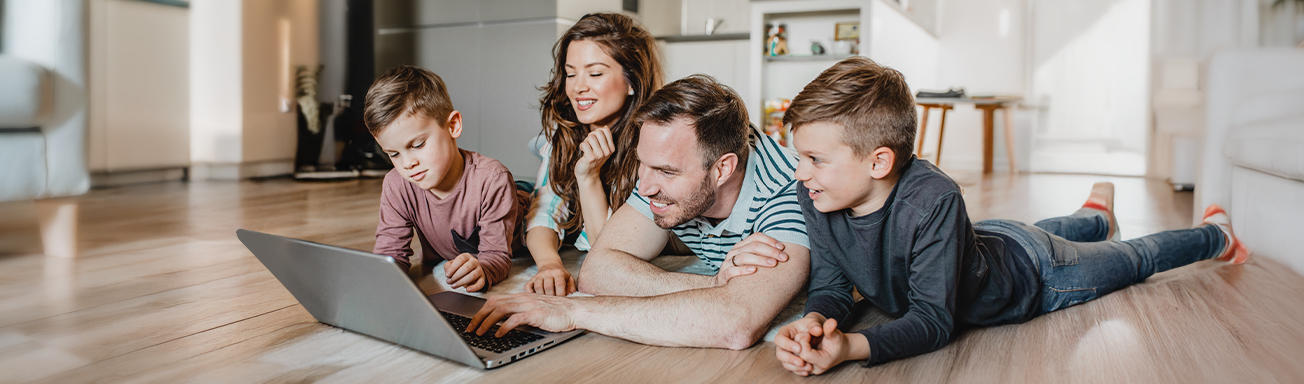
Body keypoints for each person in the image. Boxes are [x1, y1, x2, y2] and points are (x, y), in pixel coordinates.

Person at [772, 57, 1252, 376]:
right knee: (1038, 232)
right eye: (800, 156)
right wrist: (815, 320)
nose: (800, 173)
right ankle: (1096, 215)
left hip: (1036, 271)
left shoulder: (933, 200)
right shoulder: (818, 195)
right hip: (985, 240)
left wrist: (853, 346)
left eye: (815, 159)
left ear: (878, 162)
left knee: (1133, 258)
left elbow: (934, 320)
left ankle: (1215, 234)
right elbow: (834, 287)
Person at [466, 75, 810, 350]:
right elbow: (598, 272)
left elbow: (735, 322)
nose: (644, 187)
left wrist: (573, 311)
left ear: (722, 170)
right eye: (642, 165)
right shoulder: (667, 168)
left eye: (665, 172)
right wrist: (714, 286)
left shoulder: (790, 192)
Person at [524, 13, 665, 296]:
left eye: (596, 73)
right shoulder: (565, 134)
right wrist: (550, 264)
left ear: (632, 82)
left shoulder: (654, 144)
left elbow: (609, 257)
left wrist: (588, 177)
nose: (578, 87)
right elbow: (545, 211)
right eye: (571, 73)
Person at [366, 65, 531, 293]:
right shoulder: (397, 184)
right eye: (393, 154)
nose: (407, 163)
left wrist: (483, 269)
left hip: (524, 213)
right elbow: (390, 253)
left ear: (453, 125)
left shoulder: (493, 179)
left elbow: (496, 256)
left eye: (417, 145)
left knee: (555, 215)